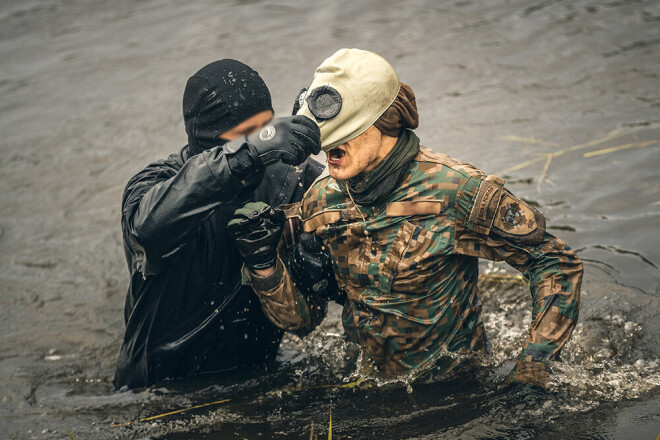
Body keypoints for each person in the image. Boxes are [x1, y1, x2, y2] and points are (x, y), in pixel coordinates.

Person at [228, 49, 583, 388]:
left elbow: (554, 263)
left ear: (383, 121)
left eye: (343, 135)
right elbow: (302, 322)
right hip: (366, 386)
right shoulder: (322, 198)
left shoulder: (454, 190)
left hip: (458, 385)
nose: (326, 149)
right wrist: (265, 267)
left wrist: (534, 366)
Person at [113, 59, 324, 389]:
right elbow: (147, 231)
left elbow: (310, 312)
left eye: (264, 127)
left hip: (260, 377)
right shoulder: (153, 186)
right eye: (244, 138)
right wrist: (248, 153)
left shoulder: (293, 179)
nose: (256, 147)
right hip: (157, 388)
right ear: (205, 139)